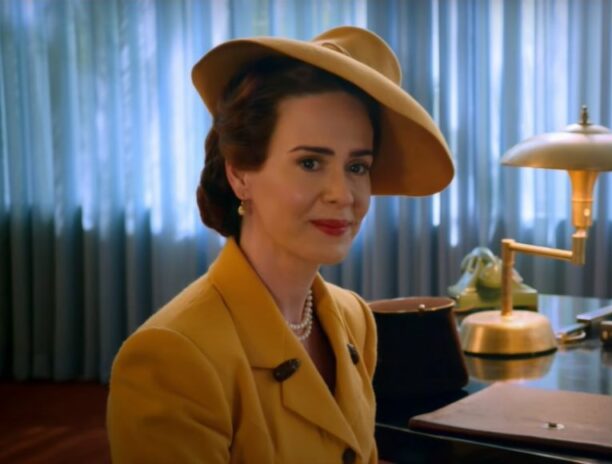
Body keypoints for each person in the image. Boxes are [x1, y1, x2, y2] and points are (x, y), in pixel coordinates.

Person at [106, 26, 453, 463]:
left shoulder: (354, 317)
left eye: (357, 167)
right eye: (310, 162)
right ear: (239, 174)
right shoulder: (171, 357)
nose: (342, 195)